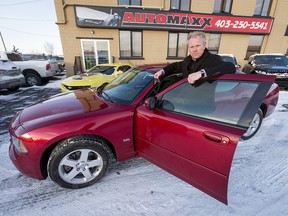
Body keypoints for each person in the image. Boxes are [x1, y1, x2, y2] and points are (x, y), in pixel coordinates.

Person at [154, 31, 236, 84]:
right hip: (184, 103)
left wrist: (202, 73)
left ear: (204, 45)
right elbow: (175, 66)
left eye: (197, 46)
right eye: (191, 47)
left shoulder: (212, 59)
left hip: (201, 108)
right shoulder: (187, 60)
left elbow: (230, 67)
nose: (194, 49)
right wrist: (162, 71)